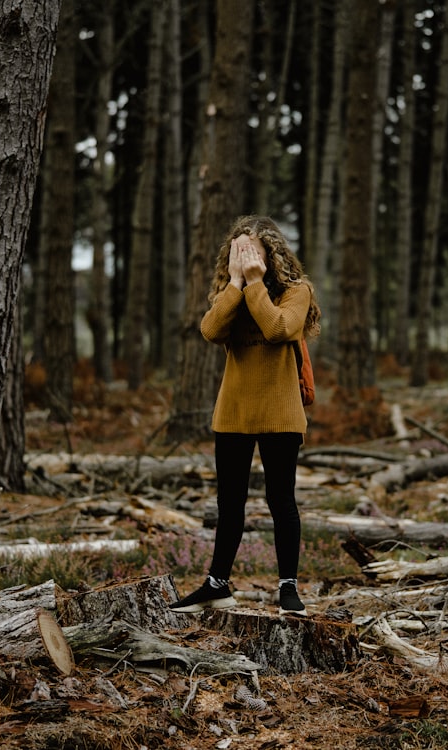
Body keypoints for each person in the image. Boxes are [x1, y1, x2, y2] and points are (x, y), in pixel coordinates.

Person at [170, 215, 321, 616]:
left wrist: (255, 283)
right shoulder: (230, 293)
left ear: (271, 251)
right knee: (229, 503)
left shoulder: (296, 291)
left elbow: (277, 329)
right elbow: (210, 329)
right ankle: (217, 583)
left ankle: (287, 586)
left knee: (281, 500)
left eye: (252, 248)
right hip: (234, 413)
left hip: (281, 414)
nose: (245, 255)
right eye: (239, 249)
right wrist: (236, 284)